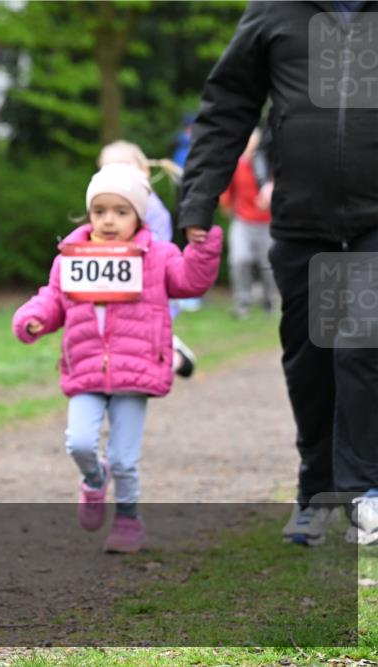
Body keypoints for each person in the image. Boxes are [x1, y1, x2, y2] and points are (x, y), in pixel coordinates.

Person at [176, 2, 378, 546]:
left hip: (374, 222)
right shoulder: (274, 11)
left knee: (362, 345)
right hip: (301, 217)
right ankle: (318, 490)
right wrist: (198, 198)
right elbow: (228, 104)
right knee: (309, 362)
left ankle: (365, 492)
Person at [12, 164, 222, 553]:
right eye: (100, 211)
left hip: (135, 371)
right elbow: (53, 299)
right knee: (78, 443)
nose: (109, 220)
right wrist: (33, 318)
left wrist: (203, 247)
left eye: (121, 212)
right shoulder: (71, 258)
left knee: (125, 459)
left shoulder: (157, 257)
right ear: (89, 214)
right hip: (86, 368)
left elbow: (190, 280)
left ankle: (128, 519)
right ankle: (93, 480)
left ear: (139, 216)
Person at [97, 141, 198, 378]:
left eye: (124, 167)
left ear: (144, 171)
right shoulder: (106, 212)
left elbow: (157, 250)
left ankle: (176, 355)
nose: (118, 176)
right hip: (120, 286)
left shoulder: (151, 209)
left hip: (153, 290)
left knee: (142, 336)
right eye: (109, 170)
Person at [219, 127, 278, 319]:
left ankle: (271, 300)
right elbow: (227, 194)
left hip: (267, 222)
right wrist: (229, 208)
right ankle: (242, 303)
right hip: (243, 221)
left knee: (268, 264)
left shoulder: (271, 166)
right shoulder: (237, 165)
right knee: (239, 260)